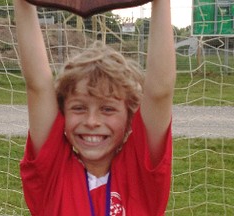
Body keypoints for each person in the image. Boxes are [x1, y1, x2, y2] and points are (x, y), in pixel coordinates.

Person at [14, 0, 176, 215]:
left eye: (107, 109)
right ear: (61, 114)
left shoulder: (140, 175)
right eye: (79, 108)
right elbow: (38, 85)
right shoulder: (52, 174)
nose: (92, 122)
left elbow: (159, 93)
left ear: (130, 118)